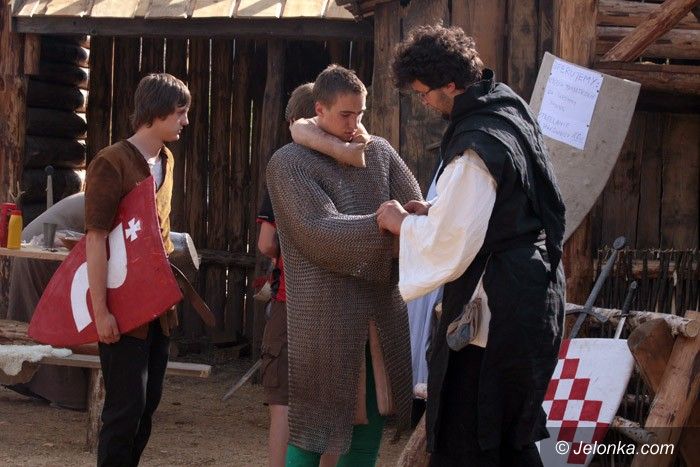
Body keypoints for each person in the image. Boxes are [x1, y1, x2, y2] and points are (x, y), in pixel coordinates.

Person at [377, 25, 566, 466]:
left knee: (475, 432)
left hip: (498, 306)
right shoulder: (506, 106)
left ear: (449, 85)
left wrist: (403, 223)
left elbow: (453, 241)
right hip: (531, 291)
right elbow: (496, 207)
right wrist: (435, 211)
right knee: (511, 435)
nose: (424, 102)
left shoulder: (477, 146)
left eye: (424, 93)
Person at [266, 64, 421, 466]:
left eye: (360, 114)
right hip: (324, 317)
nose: (354, 124)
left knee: (369, 425)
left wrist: (415, 218)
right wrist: (384, 223)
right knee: (313, 433)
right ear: (319, 109)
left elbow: (413, 211)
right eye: (345, 114)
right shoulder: (289, 163)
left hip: (378, 312)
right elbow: (317, 230)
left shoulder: (379, 153)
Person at [257, 82, 367, 467]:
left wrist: (299, 251)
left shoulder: (287, 166)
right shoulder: (354, 170)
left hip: (295, 302)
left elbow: (266, 243)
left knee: (286, 407)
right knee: (335, 408)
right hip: (344, 304)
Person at [84, 73, 190, 466]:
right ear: (156, 112)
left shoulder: (166, 160)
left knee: (147, 406)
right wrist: (101, 311)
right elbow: (96, 239)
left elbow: (158, 232)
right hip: (122, 305)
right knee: (124, 410)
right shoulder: (111, 162)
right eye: (179, 112)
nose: (185, 121)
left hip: (157, 305)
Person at [5, 193, 87, 410]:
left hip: (36, 243)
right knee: (46, 321)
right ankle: (64, 392)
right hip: (40, 246)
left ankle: (31, 382)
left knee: (37, 315)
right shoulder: (108, 194)